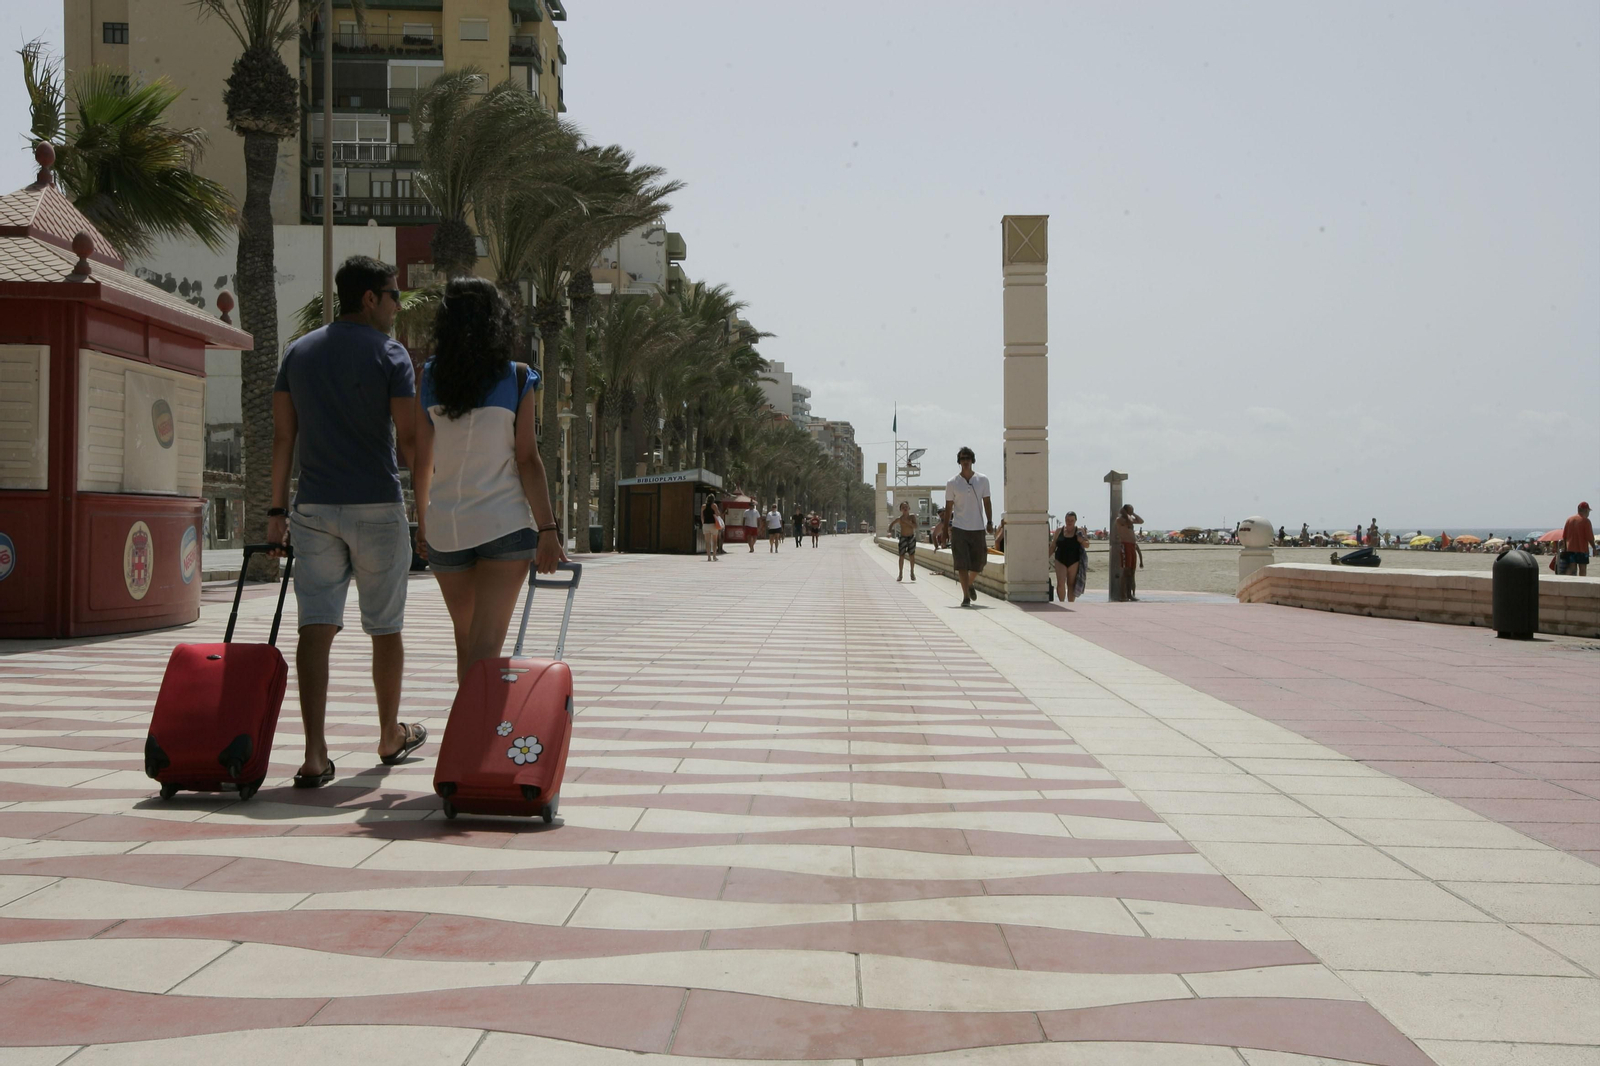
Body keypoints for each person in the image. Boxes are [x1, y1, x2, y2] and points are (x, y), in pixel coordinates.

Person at [268, 255, 422, 788]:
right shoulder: (391, 354)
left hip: (313, 509)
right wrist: (427, 510)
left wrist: (274, 513)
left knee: (315, 627)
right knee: (386, 627)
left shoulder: (298, 352)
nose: (398, 306)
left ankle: (314, 755)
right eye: (394, 295)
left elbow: (283, 437)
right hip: (377, 506)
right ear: (370, 298)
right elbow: (410, 439)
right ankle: (388, 735)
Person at [413, 277, 565, 689]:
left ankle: (468, 723)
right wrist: (548, 528)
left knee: (467, 643)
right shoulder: (516, 378)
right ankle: (475, 729)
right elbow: (527, 459)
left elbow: (422, 459)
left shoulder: (430, 376)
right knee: (486, 646)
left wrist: (424, 523)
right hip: (503, 524)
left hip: (447, 527)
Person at [943, 446, 993, 607]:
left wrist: (990, 521)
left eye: (968, 458)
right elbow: (948, 508)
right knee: (962, 564)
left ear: (972, 460)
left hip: (977, 528)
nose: (965, 461)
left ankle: (969, 583)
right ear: (959, 461)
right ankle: (965, 597)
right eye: (963, 459)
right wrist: (945, 530)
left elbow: (987, 502)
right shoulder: (952, 483)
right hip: (959, 528)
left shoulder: (982, 480)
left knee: (979, 563)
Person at [1052, 511, 1089, 603]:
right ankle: (1062, 602)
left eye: (1072, 520)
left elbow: (1087, 544)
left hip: (1074, 560)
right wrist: (1045, 558)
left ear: (1075, 521)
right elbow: (1053, 546)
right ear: (1065, 520)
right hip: (1060, 559)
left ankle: (1071, 604)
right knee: (1060, 583)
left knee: (1071, 584)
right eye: (1067, 520)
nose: (1069, 522)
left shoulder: (1079, 531)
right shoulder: (1059, 531)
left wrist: (1081, 541)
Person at [1113, 503, 1144, 601]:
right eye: (1130, 510)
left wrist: (1133, 513)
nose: (1131, 511)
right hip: (1125, 545)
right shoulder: (1120, 520)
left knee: (1131, 571)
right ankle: (1123, 595)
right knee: (1126, 571)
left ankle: (1129, 594)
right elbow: (1129, 521)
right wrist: (1126, 514)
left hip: (1132, 546)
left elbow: (1141, 521)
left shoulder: (1130, 518)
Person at [1560, 502, 1593, 576]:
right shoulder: (1586, 521)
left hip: (1570, 549)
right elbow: (1590, 537)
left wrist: (1565, 548)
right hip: (1582, 549)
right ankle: (1582, 582)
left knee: (1571, 568)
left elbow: (1564, 536)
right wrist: (1594, 547)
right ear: (1586, 510)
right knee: (1582, 569)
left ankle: (1565, 580)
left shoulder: (1569, 520)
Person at [890, 501, 919, 581]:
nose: (905, 508)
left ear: (909, 508)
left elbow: (915, 526)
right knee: (901, 556)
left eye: (906, 507)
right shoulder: (900, 519)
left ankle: (912, 572)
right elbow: (892, 524)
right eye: (903, 507)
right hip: (903, 538)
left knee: (911, 555)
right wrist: (890, 531)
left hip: (911, 537)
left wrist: (908, 522)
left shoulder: (912, 517)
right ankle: (900, 574)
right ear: (901, 510)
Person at [702, 495, 723, 561]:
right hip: (713, 525)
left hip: (706, 525)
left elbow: (702, 516)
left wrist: (703, 523)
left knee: (707, 542)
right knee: (714, 541)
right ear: (713, 499)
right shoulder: (714, 505)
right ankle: (714, 556)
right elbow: (718, 514)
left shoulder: (703, 506)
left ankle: (709, 557)